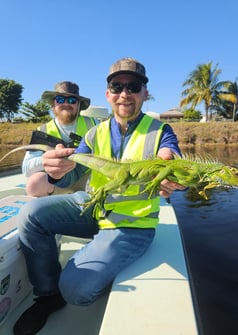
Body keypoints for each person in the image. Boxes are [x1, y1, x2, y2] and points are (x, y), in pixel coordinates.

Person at [13, 57, 185, 335]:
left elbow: (173, 158)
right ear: (108, 94)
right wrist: (55, 170)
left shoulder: (161, 132)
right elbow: (69, 176)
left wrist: (172, 172)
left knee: (75, 290)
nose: (124, 94)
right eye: (117, 86)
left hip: (129, 225)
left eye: (134, 86)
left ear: (145, 93)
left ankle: (88, 272)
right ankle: (47, 295)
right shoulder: (93, 134)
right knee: (31, 215)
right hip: (93, 207)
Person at [22, 81, 95, 197]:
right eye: (60, 99)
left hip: (88, 180)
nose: (66, 103)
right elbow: (26, 168)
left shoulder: (94, 124)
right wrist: (47, 160)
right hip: (56, 182)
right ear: (53, 104)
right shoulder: (42, 130)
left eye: (72, 100)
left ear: (79, 105)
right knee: (34, 184)